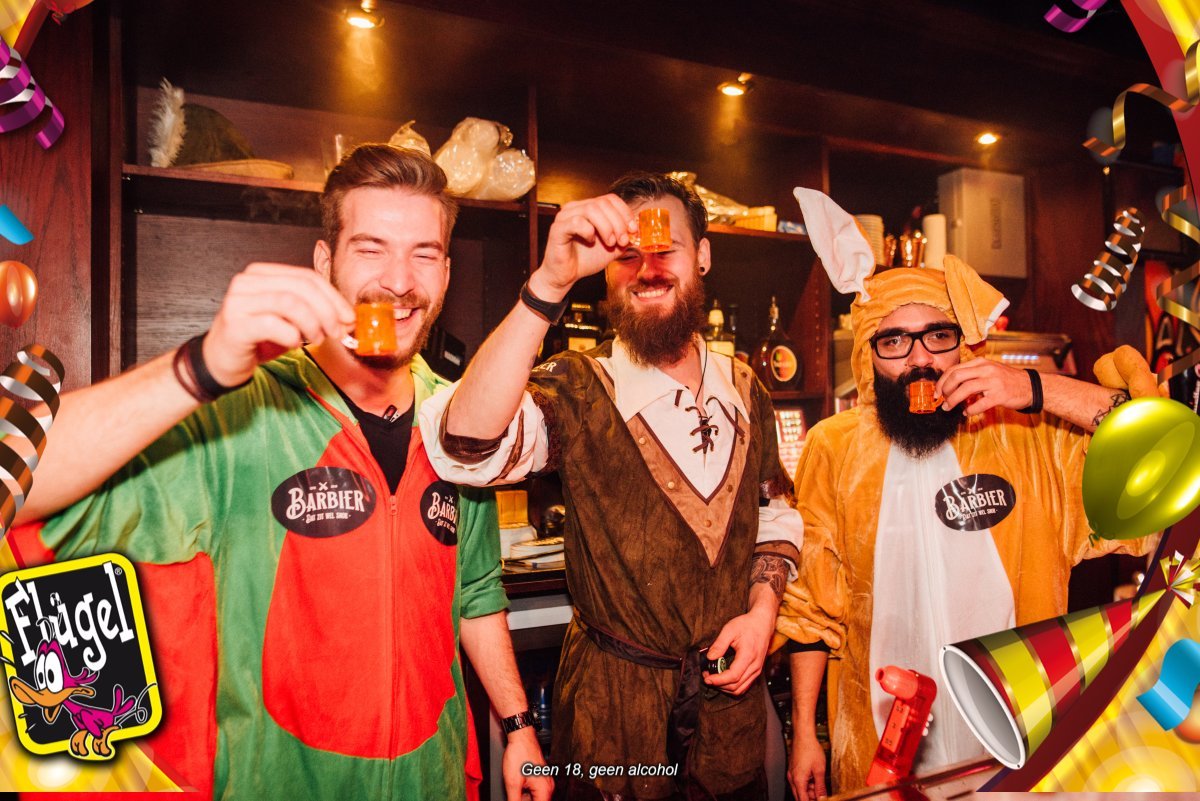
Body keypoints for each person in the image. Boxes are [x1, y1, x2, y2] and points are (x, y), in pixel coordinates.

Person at [7, 145, 551, 801]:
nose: (400, 280)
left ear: (447, 272)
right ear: (325, 263)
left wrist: (518, 726)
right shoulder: (244, 412)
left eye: (424, 254)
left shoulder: (460, 421)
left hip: (431, 782)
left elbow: (477, 591)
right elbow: (16, 487)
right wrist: (201, 368)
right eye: (371, 248)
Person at [418, 172, 805, 800]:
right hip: (614, 729)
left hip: (728, 722)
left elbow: (774, 514)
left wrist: (763, 613)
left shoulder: (745, 387)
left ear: (703, 255)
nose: (647, 270)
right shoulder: (579, 385)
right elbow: (468, 444)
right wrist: (549, 285)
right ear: (602, 270)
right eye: (626, 255)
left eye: (666, 249)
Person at [777, 189, 1157, 798]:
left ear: (966, 342)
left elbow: (1152, 440)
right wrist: (804, 735)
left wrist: (1034, 387)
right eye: (894, 341)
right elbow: (808, 609)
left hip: (1020, 740)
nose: (919, 359)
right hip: (881, 748)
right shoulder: (834, 447)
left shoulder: (1028, 437)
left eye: (938, 336)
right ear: (869, 355)